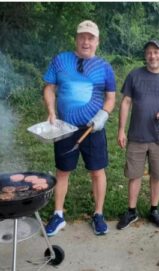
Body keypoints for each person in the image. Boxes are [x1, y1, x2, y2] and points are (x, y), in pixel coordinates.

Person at [43, 20, 116, 236]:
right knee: (63, 170)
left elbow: (111, 98)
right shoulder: (60, 60)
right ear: (76, 39)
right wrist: (51, 110)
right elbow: (49, 88)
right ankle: (58, 215)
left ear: (97, 41)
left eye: (90, 37)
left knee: (97, 170)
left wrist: (103, 115)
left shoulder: (104, 67)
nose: (86, 41)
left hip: (93, 128)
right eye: (82, 36)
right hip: (64, 126)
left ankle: (99, 214)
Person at [117, 40, 159, 230]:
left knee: (157, 175)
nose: (152, 56)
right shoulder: (134, 75)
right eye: (149, 53)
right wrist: (121, 130)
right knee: (134, 175)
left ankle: (154, 209)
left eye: (156, 52)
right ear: (145, 56)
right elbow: (126, 102)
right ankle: (131, 211)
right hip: (137, 135)